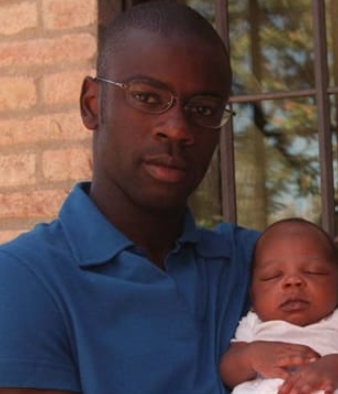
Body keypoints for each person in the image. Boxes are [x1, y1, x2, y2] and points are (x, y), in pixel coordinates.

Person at [0, 2, 269, 393]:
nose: (177, 129)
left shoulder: (257, 266)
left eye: (203, 108)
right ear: (92, 104)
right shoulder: (23, 280)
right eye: (147, 98)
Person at [219, 218, 338, 394]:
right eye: (272, 276)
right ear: (253, 298)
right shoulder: (252, 323)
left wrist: (337, 367)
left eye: (313, 272)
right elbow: (228, 371)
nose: (293, 281)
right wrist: (251, 357)